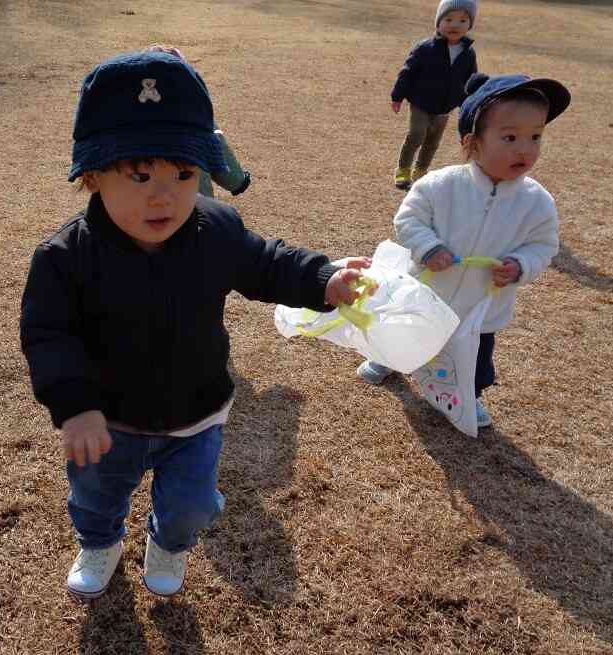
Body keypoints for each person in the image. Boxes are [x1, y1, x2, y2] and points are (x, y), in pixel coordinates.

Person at [20, 50, 370, 600]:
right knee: (95, 496)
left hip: (198, 411)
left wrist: (323, 280)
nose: (164, 195)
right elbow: (48, 336)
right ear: (91, 177)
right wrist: (75, 406)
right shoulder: (65, 257)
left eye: (184, 174)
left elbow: (268, 263)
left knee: (193, 504)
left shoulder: (217, 229)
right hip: (109, 420)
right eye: (139, 175)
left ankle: (169, 544)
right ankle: (100, 541)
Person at [358, 73, 571, 429]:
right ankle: (388, 358)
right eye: (510, 137)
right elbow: (409, 219)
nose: (525, 148)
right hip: (429, 294)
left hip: (482, 307)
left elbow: (543, 245)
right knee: (406, 332)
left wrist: (521, 265)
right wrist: (429, 248)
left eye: (536, 137)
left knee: (475, 357)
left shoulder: (536, 202)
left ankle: (468, 394)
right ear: (472, 142)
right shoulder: (440, 186)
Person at [390, 0, 479, 190]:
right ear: (438, 22)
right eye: (448, 19)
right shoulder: (425, 48)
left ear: (469, 25)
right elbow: (407, 72)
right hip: (420, 103)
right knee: (416, 134)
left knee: (432, 141)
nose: (455, 25)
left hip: (445, 107)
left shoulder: (468, 53)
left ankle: (421, 171)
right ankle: (403, 169)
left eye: (463, 20)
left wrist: (470, 102)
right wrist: (397, 96)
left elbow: (471, 80)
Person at [143, 44, 251, 198]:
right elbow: (221, 158)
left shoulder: (128, 121)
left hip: (143, 207)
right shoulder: (199, 119)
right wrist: (238, 181)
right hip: (195, 206)